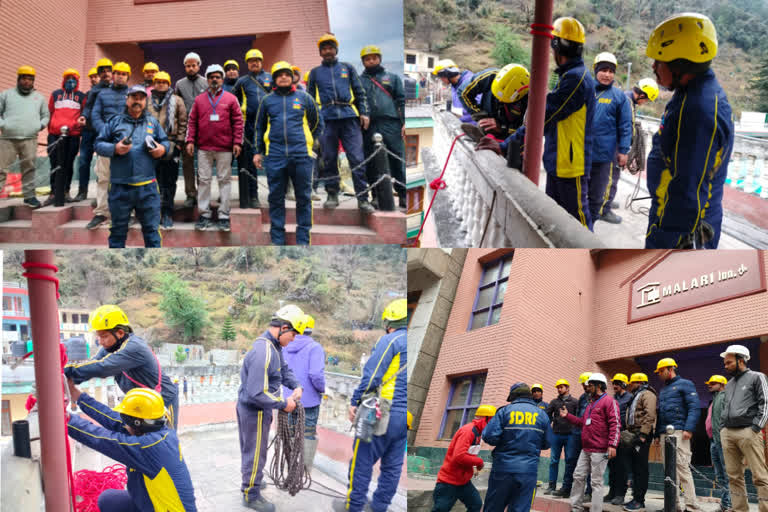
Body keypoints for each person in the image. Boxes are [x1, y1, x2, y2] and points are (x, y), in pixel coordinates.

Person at [494, 17, 596, 230]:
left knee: (580, 224)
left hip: (570, 166)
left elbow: (543, 118)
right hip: (559, 160)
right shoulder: (571, 75)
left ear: (556, 46)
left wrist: (506, 145)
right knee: (556, 220)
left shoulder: (575, 79)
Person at [644, 13, 733, 249]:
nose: (654, 67)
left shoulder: (699, 111)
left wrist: (665, 235)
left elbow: (689, 192)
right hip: (671, 212)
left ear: (680, 65)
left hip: (680, 228)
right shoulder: (689, 94)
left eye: (659, 61)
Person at [66, 386, 196, 512]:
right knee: (107, 500)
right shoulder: (157, 431)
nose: (124, 424)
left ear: (137, 423)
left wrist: (67, 419)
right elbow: (113, 419)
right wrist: (79, 396)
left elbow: (100, 438)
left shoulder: (148, 447)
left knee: (109, 501)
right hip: (150, 501)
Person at [332, 299, 407, 512]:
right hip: (403, 418)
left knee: (362, 461)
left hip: (382, 412)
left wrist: (355, 402)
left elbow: (372, 376)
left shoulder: (391, 340)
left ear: (388, 321)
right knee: (392, 467)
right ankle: (379, 507)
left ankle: (353, 506)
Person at [64, 305, 180, 429]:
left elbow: (103, 367)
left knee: (163, 440)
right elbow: (92, 365)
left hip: (164, 399)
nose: (101, 342)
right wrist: (69, 378)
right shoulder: (111, 347)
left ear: (120, 333)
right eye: (98, 337)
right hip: (142, 404)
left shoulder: (134, 347)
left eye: (104, 336)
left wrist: (65, 371)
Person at [237, 305, 306, 511]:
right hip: (255, 410)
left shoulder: (274, 348)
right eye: (293, 334)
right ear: (284, 328)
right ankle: (251, 493)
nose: (293, 339)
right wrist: (284, 404)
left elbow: (283, 371)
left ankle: (253, 480)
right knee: (256, 453)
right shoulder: (263, 350)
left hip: (259, 408)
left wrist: (296, 385)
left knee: (254, 450)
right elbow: (256, 392)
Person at [253, 61, 323, 245]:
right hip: (275, 155)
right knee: (275, 197)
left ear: (292, 77)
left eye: (286, 74)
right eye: (279, 74)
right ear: (274, 79)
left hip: (301, 155)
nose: (283, 76)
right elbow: (259, 128)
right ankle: (277, 238)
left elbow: (317, 123)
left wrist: (308, 141)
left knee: (304, 197)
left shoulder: (305, 97)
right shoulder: (267, 101)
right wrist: (258, 152)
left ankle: (303, 238)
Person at [94, 84, 169, 248]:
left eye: (141, 98)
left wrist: (162, 149)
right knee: (117, 234)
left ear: (145, 101)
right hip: (120, 188)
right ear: (127, 100)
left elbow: (165, 142)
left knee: (152, 234)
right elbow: (98, 144)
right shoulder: (114, 122)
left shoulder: (153, 123)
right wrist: (114, 148)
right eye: (134, 97)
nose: (138, 101)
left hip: (147, 188)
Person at [307, 33, 374, 212]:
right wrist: (312, 123)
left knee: (356, 157)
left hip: (349, 117)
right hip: (326, 119)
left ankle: (363, 198)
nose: (328, 51)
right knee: (328, 158)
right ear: (320, 52)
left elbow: (360, 92)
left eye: (331, 48)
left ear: (336, 50)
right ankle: (332, 194)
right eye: (324, 49)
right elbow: (310, 100)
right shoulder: (315, 73)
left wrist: (364, 113)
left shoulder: (348, 68)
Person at [186, 64, 243, 232]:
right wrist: (190, 140)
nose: (214, 79)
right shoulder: (199, 100)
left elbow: (238, 122)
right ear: (207, 80)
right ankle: (204, 215)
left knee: (224, 181)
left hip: (225, 148)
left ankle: (224, 215)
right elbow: (192, 122)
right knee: (203, 181)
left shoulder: (231, 99)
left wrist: (237, 142)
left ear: (222, 79)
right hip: (204, 148)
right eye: (211, 77)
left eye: (218, 77)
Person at [482, 382, 553, 512]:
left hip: (502, 469)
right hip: (528, 471)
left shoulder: (504, 411)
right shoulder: (542, 415)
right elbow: (547, 443)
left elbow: (489, 437)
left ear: (513, 396)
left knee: (493, 507)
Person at [560, 373, 620, 512]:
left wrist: (612, 445)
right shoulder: (590, 404)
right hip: (586, 448)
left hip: (600, 449)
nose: (588, 387)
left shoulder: (609, 401)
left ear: (599, 385)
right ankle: (576, 508)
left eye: (591, 385)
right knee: (578, 476)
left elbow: (615, 423)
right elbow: (583, 423)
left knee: (596, 482)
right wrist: (567, 416)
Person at [720, 345, 768, 512]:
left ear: (741, 361)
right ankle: (740, 509)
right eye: (725, 363)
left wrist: (756, 427)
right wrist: (722, 429)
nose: (725, 366)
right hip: (728, 432)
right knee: (733, 476)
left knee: (759, 476)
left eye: (729, 363)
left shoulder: (757, 377)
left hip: (749, 431)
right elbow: (726, 407)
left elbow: (765, 403)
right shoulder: (729, 383)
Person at [359, 45, 406, 209]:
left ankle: (403, 194)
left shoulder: (392, 77)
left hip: (391, 122)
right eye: (367, 59)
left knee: (396, 158)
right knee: (371, 161)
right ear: (363, 61)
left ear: (379, 58)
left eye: (374, 57)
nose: (371, 61)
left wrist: (404, 122)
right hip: (368, 125)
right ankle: (376, 196)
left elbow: (401, 100)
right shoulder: (358, 81)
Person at [588, 52, 632, 225]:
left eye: (611, 71)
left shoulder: (619, 97)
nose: (607, 74)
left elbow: (625, 126)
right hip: (581, 152)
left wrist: (623, 151)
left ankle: (590, 225)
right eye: (603, 70)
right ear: (596, 70)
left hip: (604, 156)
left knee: (597, 194)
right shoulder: (585, 90)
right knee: (577, 192)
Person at [88, 61, 132, 230]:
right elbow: (95, 115)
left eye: (123, 73)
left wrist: (123, 134)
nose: (120, 76)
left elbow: (136, 115)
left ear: (128, 76)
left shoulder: (132, 93)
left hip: (126, 141)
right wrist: (105, 131)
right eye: (117, 73)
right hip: (105, 141)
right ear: (113, 75)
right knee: (103, 178)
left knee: (127, 179)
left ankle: (127, 213)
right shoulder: (102, 93)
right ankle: (101, 213)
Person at [654, 357, 701, 512]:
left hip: (680, 431)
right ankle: (673, 505)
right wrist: (656, 434)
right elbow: (660, 413)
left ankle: (691, 506)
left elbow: (694, 407)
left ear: (671, 369)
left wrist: (689, 428)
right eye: (658, 372)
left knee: (683, 469)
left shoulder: (686, 384)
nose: (659, 374)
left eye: (661, 371)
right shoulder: (663, 390)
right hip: (664, 433)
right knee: (668, 471)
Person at [430, 405, 497, 512]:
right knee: (441, 509)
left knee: (476, 504)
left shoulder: (478, 433)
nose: (494, 425)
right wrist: (479, 462)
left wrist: (473, 467)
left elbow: (469, 454)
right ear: (486, 419)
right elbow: (459, 456)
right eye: (493, 421)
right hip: (448, 482)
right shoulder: (468, 431)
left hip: (463, 482)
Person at [0, 65, 49, 208]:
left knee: (29, 168)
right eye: (24, 78)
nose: (27, 82)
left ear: (33, 81)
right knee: (1, 169)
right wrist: (4, 125)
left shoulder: (38, 98)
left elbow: (45, 115)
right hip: (7, 139)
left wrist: (39, 126)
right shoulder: (6, 95)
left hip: (30, 139)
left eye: (30, 79)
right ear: (18, 79)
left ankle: (29, 196)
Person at [282, 314, 325, 470]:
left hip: (288, 400)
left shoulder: (285, 344)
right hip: (309, 400)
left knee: (289, 432)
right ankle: (303, 470)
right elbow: (316, 374)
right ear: (311, 330)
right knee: (307, 434)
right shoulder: (314, 347)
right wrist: (322, 389)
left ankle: (290, 466)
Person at [147, 71, 187, 230]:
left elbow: (184, 122)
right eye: (158, 81)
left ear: (169, 84)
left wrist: (179, 144)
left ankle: (168, 213)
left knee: (169, 182)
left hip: (171, 144)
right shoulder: (147, 101)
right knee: (152, 181)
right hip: (151, 144)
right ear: (154, 83)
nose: (161, 84)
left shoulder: (177, 100)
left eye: (164, 82)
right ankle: (155, 213)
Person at [232, 48, 271, 209]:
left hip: (270, 124)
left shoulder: (271, 77)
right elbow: (235, 102)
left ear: (262, 61)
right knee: (250, 162)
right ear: (247, 63)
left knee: (273, 160)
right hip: (249, 126)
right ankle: (253, 196)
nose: (254, 63)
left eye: (257, 60)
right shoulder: (241, 81)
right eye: (251, 60)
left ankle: (276, 194)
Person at [458, 63, 529, 143]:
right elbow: (463, 93)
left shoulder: (531, 100)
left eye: (505, 101)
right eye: (496, 97)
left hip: (510, 136)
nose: (500, 101)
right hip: (489, 119)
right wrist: (481, 116)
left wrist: (502, 128)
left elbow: (528, 130)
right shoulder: (490, 76)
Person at [46, 68, 86, 206]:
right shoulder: (55, 94)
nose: (71, 81)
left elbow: (83, 114)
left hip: (73, 136)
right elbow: (50, 112)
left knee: (68, 163)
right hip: (55, 135)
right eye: (68, 78)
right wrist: (51, 128)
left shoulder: (81, 96)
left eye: (74, 79)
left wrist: (77, 128)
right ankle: (53, 193)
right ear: (63, 79)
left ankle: (65, 192)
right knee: (54, 163)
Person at [76, 58, 112, 202]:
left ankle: (101, 194)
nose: (105, 73)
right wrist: (84, 116)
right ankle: (82, 192)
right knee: (84, 161)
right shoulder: (94, 90)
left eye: (107, 70)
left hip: (104, 131)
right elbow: (88, 107)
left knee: (103, 163)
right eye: (102, 71)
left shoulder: (115, 88)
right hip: (89, 131)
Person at [174, 52, 207, 208]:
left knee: (203, 163)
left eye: (194, 65)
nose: (191, 68)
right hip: (187, 129)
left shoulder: (206, 83)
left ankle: (203, 194)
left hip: (204, 129)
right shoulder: (179, 84)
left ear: (199, 66)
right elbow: (176, 106)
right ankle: (190, 195)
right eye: (188, 66)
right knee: (187, 162)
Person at [622, 373, 657, 512]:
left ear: (640, 382)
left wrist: (643, 434)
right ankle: (635, 497)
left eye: (633, 383)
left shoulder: (648, 394)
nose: (630, 385)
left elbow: (649, 415)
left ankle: (639, 501)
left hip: (641, 434)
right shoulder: (636, 395)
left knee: (641, 469)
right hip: (634, 434)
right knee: (635, 468)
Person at [545, 379, 579, 496]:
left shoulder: (575, 402)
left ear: (567, 388)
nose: (559, 389)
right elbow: (547, 417)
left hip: (570, 435)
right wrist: (547, 431)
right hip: (556, 435)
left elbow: (578, 418)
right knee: (554, 461)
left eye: (561, 387)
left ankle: (566, 487)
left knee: (569, 461)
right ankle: (551, 486)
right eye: (558, 387)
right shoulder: (554, 402)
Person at [605, 373, 634, 505]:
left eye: (617, 383)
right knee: (612, 466)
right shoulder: (612, 398)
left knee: (622, 466)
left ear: (623, 384)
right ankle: (612, 492)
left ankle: (620, 494)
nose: (614, 385)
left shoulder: (630, 398)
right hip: (612, 435)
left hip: (623, 436)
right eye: (613, 383)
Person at [705, 374, 731, 512]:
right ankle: (725, 503)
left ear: (721, 385)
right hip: (714, 441)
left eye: (713, 383)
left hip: (721, 440)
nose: (709, 385)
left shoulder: (725, 396)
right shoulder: (715, 399)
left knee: (726, 473)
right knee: (720, 474)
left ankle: (729, 504)